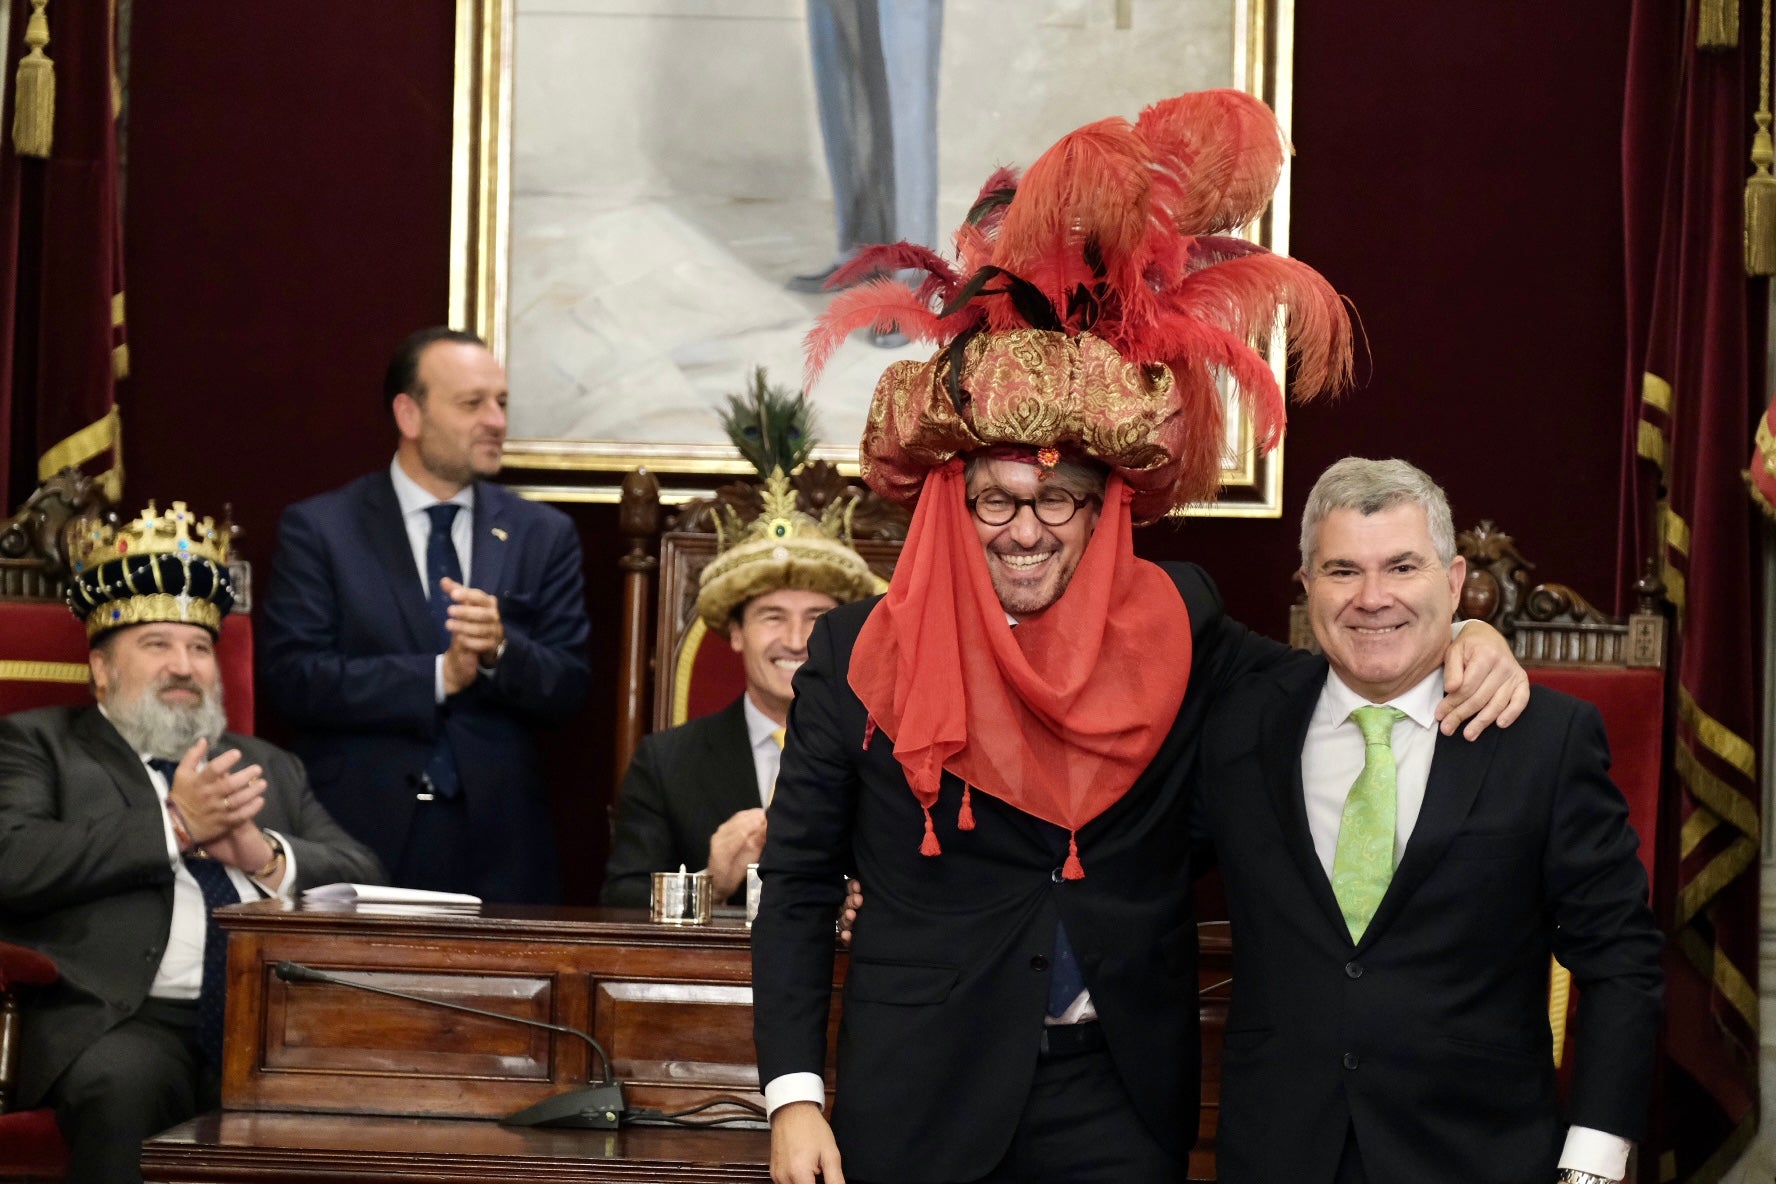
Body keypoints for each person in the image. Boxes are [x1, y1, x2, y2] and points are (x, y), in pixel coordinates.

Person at [751, 90, 1530, 1184]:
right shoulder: (852, 653)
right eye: (998, 497)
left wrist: (1466, 640)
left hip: (1117, 1094)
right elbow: (794, 886)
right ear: (949, 500)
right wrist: (792, 1096)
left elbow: (1344, 676)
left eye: (1059, 496)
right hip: (915, 1096)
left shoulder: (1186, 625)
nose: (1027, 528)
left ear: (1103, 506)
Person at [1196, 458, 1662, 1184]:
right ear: (1307, 586)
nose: (1372, 598)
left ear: (1452, 583)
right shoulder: (1236, 726)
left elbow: (1622, 958)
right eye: (1343, 570)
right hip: (1278, 1153)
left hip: (1482, 1156)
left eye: (1402, 567)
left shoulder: (1544, 738)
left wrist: (1593, 1165)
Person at [0, 501, 384, 1184]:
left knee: (357, 1096)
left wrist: (263, 855)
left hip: (268, 1024)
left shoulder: (268, 764)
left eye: (200, 647)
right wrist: (176, 826)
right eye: (156, 645)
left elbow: (363, 870)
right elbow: (13, 860)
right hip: (123, 1021)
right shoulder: (40, 746)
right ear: (101, 669)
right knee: (123, 1086)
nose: (184, 666)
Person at [260, 327, 590, 903]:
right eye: (472, 403)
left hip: (501, 847)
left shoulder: (543, 534)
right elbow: (294, 680)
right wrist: (439, 676)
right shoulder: (322, 530)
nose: (496, 420)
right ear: (409, 415)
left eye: (502, 402)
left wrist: (500, 652)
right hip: (359, 836)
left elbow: (569, 687)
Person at [602, 465, 876, 907]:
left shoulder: (887, 752)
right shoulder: (666, 762)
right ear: (734, 633)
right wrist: (710, 884)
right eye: (772, 616)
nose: (795, 641)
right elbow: (620, 902)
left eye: (817, 620)